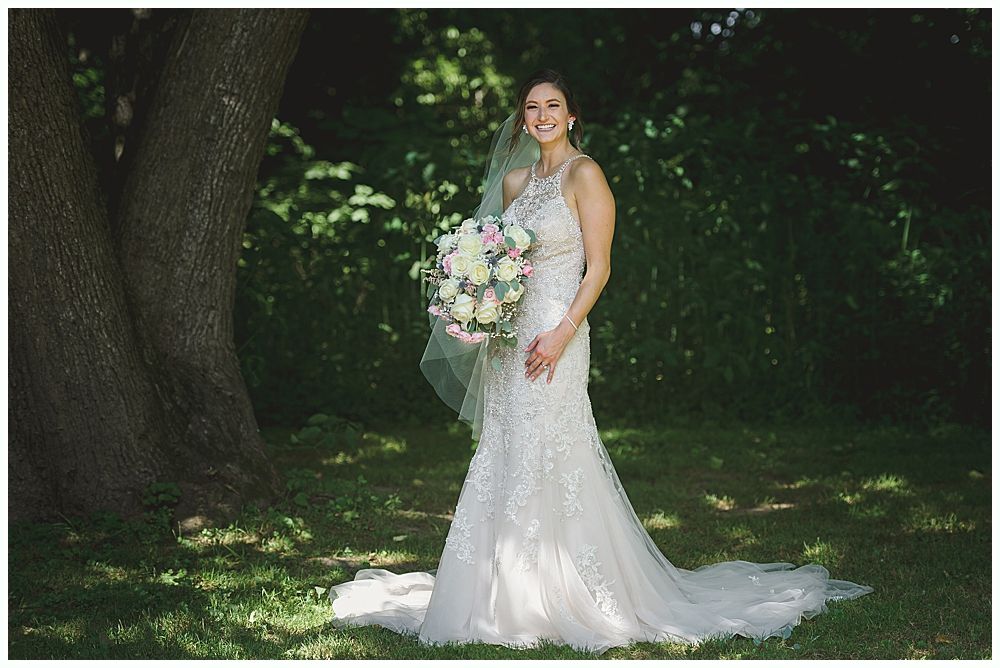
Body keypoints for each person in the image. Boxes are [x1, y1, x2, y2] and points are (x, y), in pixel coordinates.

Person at [328, 69, 874, 655]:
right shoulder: (514, 183)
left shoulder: (585, 174)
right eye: (531, 106)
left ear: (571, 116)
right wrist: (479, 306)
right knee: (506, 446)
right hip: (512, 341)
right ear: (522, 118)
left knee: (554, 445)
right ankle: (503, 588)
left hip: (560, 332)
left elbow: (599, 268)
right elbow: (502, 261)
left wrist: (562, 333)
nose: (541, 115)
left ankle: (570, 587)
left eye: (553, 105)